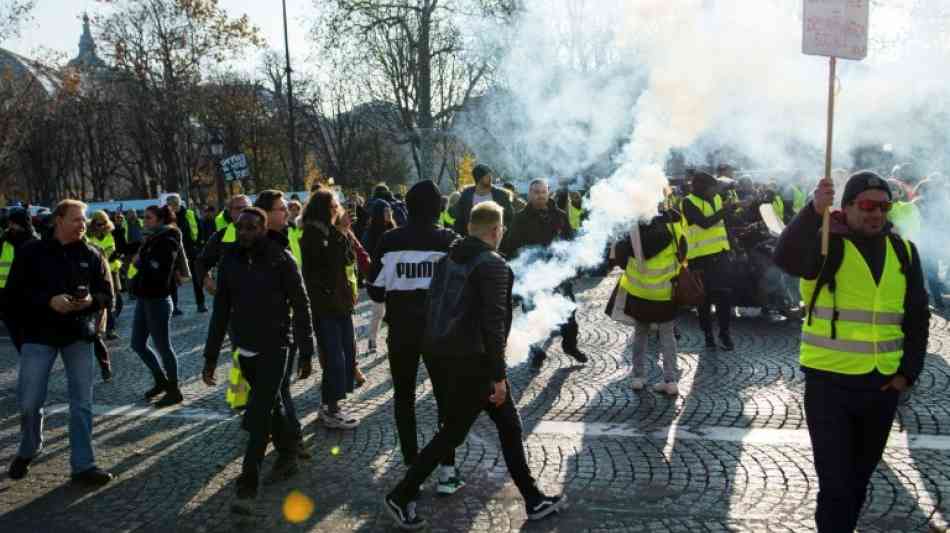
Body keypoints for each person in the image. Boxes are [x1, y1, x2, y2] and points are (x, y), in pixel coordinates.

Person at [384, 201, 565, 530]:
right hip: (474, 362)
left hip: (443, 354)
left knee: (507, 426)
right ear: (496, 230)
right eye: (502, 230)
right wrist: (498, 376)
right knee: (453, 432)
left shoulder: (449, 257)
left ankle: (534, 498)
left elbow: (435, 304)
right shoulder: (493, 265)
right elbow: (494, 324)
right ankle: (401, 494)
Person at [774, 171, 929, 533]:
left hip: (882, 387)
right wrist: (813, 210)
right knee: (836, 485)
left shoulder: (904, 251)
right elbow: (786, 257)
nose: (876, 213)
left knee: (857, 482)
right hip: (830, 386)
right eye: (867, 205)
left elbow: (918, 316)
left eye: (883, 206)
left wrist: (907, 372)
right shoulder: (828, 242)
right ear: (847, 206)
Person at [201, 207, 316, 510]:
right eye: (241, 228)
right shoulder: (230, 262)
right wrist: (210, 357)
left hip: (277, 346)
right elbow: (221, 311)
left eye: (252, 227)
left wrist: (306, 351)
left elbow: (302, 306)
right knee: (273, 403)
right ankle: (289, 453)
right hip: (245, 347)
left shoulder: (281, 259)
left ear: (263, 229)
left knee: (258, 412)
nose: (245, 233)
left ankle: (247, 485)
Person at [6, 200, 115, 486]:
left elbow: (107, 295)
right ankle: (29, 448)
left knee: (82, 403)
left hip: (78, 336)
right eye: (77, 219)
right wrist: (48, 301)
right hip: (38, 335)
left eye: (84, 220)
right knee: (29, 401)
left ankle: (83, 465)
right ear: (59, 220)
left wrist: (92, 301)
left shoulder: (92, 253)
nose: (83, 224)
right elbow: (13, 295)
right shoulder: (31, 252)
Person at [368, 180, 464, 495]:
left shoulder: (389, 240)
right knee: (446, 400)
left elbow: (375, 289)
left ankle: (412, 466)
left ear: (406, 207)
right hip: (439, 333)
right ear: (439, 208)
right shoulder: (449, 240)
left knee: (404, 398)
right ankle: (447, 470)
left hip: (402, 331)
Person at [501, 179, 588, 368]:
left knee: (569, 313)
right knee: (532, 317)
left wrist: (574, 265)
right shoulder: (520, 218)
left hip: (558, 275)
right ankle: (536, 352)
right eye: (535, 192)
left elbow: (570, 241)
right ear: (529, 195)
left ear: (548, 193)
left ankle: (570, 346)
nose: (540, 195)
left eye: (543, 191)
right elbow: (510, 247)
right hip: (532, 278)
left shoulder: (560, 216)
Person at [252, 190, 310, 455]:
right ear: (265, 214)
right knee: (275, 387)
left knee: (279, 386)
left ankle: (288, 437)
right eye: (281, 209)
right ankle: (286, 437)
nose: (287, 212)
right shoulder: (259, 248)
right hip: (264, 330)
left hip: (282, 329)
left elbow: (298, 297)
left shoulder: (283, 241)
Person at [606, 202, 684, 396]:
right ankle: (671, 380)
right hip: (666, 291)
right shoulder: (673, 224)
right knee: (667, 336)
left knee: (640, 334)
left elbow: (620, 259)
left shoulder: (632, 229)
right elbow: (684, 252)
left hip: (639, 291)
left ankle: (638, 378)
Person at [300, 188, 360, 429]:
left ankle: (335, 403)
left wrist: (344, 232)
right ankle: (330, 407)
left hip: (341, 302)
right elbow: (327, 264)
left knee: (348, 353)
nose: (338, 209)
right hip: (326, 305)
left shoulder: (332, 232)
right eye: (334, 205)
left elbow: (347, 259)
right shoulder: (313, 234)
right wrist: (340, 232)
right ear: (323, 208)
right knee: (334, 356)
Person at [129, 205, 187, 407]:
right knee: (137, 343)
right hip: (144, 297)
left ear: (161, 219)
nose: (145, 221)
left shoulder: (168, 237)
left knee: (163, 346)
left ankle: (174, 389)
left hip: (158, 299)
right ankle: (160, 380)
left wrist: (141, 260)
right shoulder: (151, 237)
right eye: (144, 217)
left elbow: (161, 268)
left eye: (149, 217)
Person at [682, 171, 738, 350]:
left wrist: (733, 246)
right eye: (712, 188)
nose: (715, 191)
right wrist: (725, 210)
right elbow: (705, 223)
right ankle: (708, 335)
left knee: (724, 296)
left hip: (720, 255)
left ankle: (725, 333)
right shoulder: (688, 202)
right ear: (701, 188)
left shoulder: (716, 199)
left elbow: (723, 224)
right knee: (703, 300)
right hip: (699, 259)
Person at [197, 195, 250, 296]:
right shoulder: (220, 236)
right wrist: (206, 279)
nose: (243, 211)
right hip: (229, 295)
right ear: (230, 212)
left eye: (247, 208)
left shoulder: (264, 233)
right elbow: (201, 262)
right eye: (238, 208)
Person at [0, 208, 38, 351]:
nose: (11, 226)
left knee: (29, 336)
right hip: (5, 295)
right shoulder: (4, 241)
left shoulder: (35, 242)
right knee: (15, 332)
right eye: (10, 223)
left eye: (14, 223)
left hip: (28, 295)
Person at [362, 199, 396, 352]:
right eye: (385, 211)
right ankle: (372, 339)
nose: (389, 214)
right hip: (377, 277)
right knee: (378, 311)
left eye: (389, 211)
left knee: (393, 311)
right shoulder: (370, 233)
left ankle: (391, 338)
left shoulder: (394, 230)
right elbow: (367, 255)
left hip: (393, 276)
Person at [165, 194, 206, 314]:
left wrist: (199, 245)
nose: (172, 207)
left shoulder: (190, 213)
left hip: (191, 250)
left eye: (174, 204)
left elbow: (200, 228)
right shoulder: (166, 217)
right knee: (172, 281)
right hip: (174, 252)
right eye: (170, 205)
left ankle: (200, 303)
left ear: (178, 204)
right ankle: (174, 307)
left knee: (197, 278)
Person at [452, 164, 514, 237]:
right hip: (472, 240)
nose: (490, 177)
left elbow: (510, 217)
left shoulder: (500, 195)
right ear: (478, 178)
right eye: (487, 176)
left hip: (496, 239)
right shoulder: (466, 195)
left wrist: (503, 229)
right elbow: (460, 219)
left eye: (490, 175)